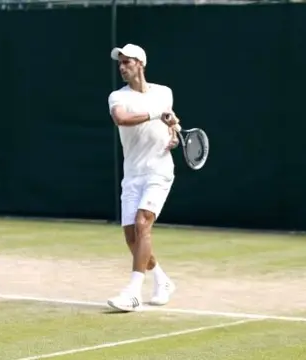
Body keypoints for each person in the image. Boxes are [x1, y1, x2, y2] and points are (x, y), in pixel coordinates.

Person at [106, 43, 180, 312]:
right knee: (131, 237)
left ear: (140, 64)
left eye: (127, 62)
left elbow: (172, 121)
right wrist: (156, 114)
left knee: (142, 223)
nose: (122, 67)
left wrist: (174, 131)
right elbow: (122, 119)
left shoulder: (164, 93)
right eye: (120, 63)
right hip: (133, 173)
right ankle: (162, 280)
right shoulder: (117, 96)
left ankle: (134, 292)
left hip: (159, 170)